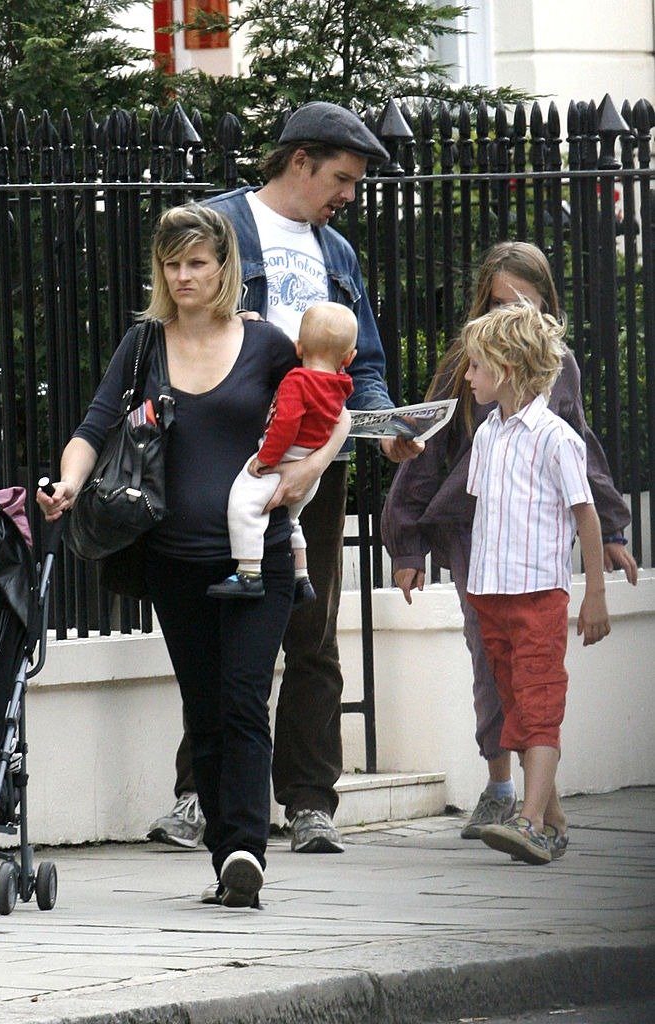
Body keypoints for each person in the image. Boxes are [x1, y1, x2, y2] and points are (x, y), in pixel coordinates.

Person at [38, 203, 351, 907]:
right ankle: (225, 859)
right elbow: (95, 424)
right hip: (173, 562)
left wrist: (309, 471)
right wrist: (68, 484)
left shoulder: (268, 344)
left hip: (257, 559)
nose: (183, 275)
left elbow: (340, 411)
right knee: (204, 710)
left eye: (197, 262)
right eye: (172, 263)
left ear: (222, 268)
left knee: (244, 698)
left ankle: (244, 845)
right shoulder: (145, 344)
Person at [149, 101, 422, 855]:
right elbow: (176, 324)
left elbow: (361, 363)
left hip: (316, 458)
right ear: (298, 161)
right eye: (341, 178)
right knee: (213, 626)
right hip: (225, 451)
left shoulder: (337, 252)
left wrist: (385, 427)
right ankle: (200, 799)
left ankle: (309, 802)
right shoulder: (219, 224)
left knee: (311, 622)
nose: (349, 196)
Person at [381, 242, 637, 842]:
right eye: (497, 301)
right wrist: (408, 546)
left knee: (533, 678)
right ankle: (501, 788)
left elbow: (581, 453)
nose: (508, 312)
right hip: (478, 534)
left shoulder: (558, 376)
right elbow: (427, 456)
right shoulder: (471, 370)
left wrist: (613, 530)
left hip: (534, 554)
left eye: (522, 300)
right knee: (489, 661)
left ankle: (537, 810)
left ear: (546, 302)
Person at [461, 301, 610, 863]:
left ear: (505, 367)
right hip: (489, 595)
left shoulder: (556, 438)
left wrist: (594, 591)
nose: (468, 376)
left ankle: (530, 822)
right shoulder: (486, 437)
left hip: (538, 596)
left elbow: (585, 515)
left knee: (540, 700)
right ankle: (552, 817)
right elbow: (484, 512)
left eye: (475, 366)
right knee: (515, 705)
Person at [207, 302, 357, 603]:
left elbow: (286, 424)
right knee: (290, 522)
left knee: (244, 506)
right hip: (309, 471)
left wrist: (266, 459)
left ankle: (249, 574)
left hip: (283, 459)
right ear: (349, 357)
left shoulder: (298, 381)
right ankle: (302, 578)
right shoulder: (341, 385)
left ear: (298, 348)